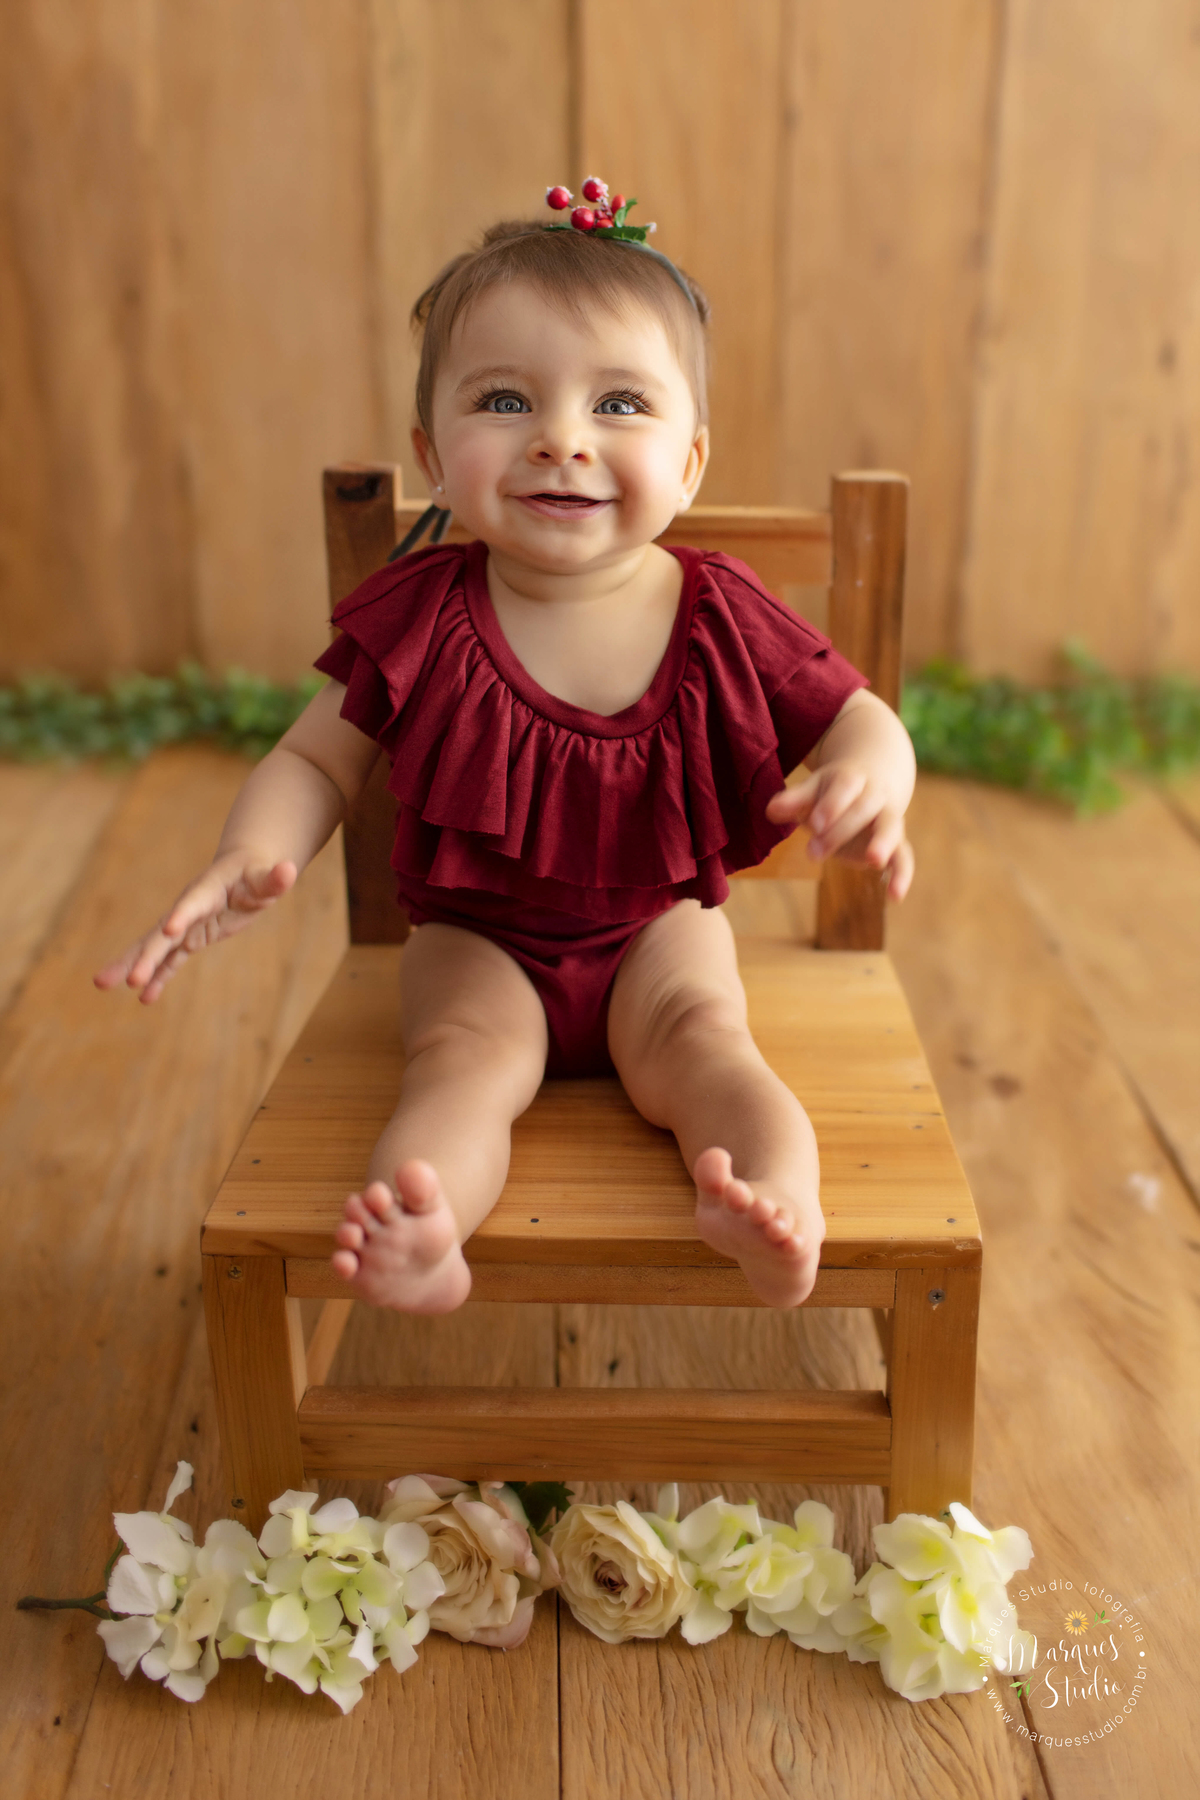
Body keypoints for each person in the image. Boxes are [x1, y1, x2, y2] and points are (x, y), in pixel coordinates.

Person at [95, 196, 916, 1318]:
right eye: (504, 399)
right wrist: (249, 850)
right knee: (460, 1071)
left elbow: (860, 716)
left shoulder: (723, 609)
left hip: (658, 933)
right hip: (480, 943)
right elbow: (315, 760)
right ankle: (424, 1229)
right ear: (435, 456)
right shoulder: (423, 612)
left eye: (618, 402)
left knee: (714, 1052)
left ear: (690, 463)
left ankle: (776, 1207)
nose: (561, 437)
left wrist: (874, 775)